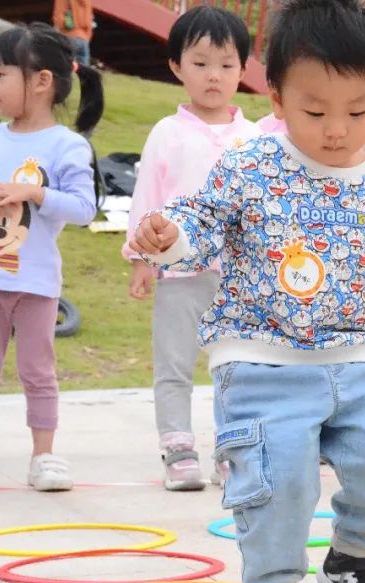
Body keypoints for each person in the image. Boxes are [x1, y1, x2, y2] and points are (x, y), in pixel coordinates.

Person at [129, 0, 365, 583]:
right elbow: (205, 217)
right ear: (276, 97)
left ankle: (352, 558)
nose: (337, 130)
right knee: (279, 480)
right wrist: (171, 237)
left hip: (354, 356)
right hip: (260, 359)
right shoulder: (251, 163)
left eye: (358, 110)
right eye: (315, 112)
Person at [0, 23, 104, 496]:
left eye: (1, 74)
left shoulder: (68, 145)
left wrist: (34, 191)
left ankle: (44, 456)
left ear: (41, 81)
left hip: (36, 284)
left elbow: (83, 208)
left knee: (39, 372)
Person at [123, 6, 261, 492]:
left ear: (243, 69)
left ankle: (233, 449)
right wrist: (141, 258)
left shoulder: (253, 138)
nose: (213, 76)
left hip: (240, 278)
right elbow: (148, 199)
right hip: (179, 273)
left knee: (238, 368)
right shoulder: (167, 132)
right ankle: (178, 448)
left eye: (226, 64)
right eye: (200, 63)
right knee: (174, 363)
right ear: (177, 66)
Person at [52, 0, 93, 66]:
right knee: (84, 71)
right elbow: (89, 20)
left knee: (65, 68)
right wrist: (87, 38)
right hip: (84, 39)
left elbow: (59, 18)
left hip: (68, 36)